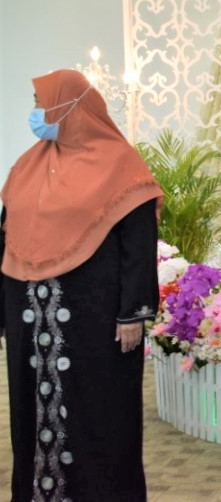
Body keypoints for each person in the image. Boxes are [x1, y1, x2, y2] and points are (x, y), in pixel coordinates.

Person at [0, 69, 163, 501]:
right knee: (30, 412)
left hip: (96, 320)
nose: (36, 112)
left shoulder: (121, 166)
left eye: (41, 102)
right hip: (29, 317)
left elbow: (138, 243)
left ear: (70, 107)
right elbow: (6, 237)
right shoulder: (28, 166)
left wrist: (133, 313)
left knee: (99, 413)